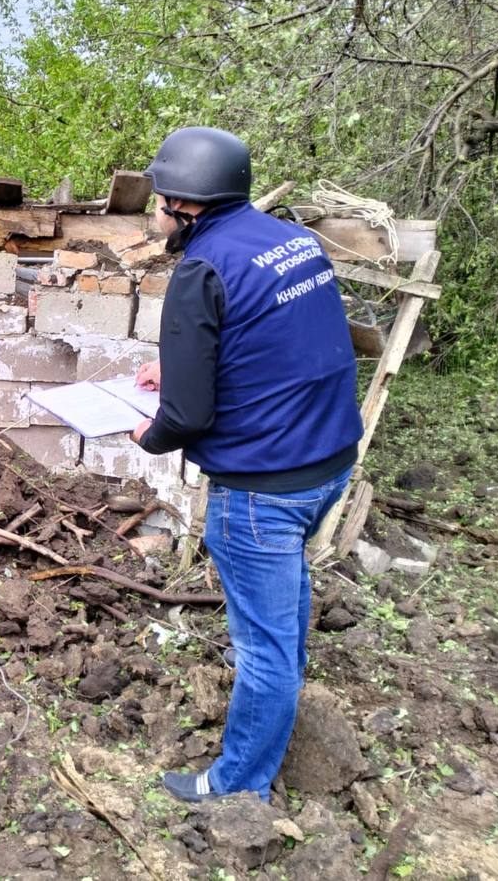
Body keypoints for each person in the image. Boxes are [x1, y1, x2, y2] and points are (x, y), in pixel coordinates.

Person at [129, 127, 363, 803]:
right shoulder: (292, 241)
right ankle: (281, 704)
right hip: (327, 465)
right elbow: (275, 342)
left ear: (185, 204)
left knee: (261, 647)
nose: (153, 212)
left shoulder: (200, 270)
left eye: (158, 198)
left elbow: (188, 419)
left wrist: (152, 430)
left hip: (261, 489)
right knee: (284, 615)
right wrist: (176, 365)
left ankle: (236, 787)